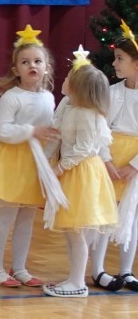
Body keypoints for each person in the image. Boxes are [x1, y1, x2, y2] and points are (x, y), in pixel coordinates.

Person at [0, 28, 57, 287]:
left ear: (47, 67)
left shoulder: (48, 97)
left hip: (36, 163)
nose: (32, 65)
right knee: (7, 217)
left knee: (26, 218)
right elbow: (1, 130)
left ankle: (20, 267)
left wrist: (49, 159)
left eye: (37, 61)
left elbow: (50, 131)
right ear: (16, 70)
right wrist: (31, 131)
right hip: (12, 162)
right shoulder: (12, 97)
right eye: (25, 62)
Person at [46, 59, 118, 298]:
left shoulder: (86, 114)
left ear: (78, 88)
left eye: (69, 78)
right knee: (71, 231)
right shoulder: (71, 108)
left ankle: (77, 282)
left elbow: (84, 149)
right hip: (75, 171)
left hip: (82, 173)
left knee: (76, 232)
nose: (65, 79)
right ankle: (73, 278)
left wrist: (60, 168)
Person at [92, 27, 138, 292]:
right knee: (104, 215)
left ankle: (126, 270)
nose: (114, 63)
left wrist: (134, 166)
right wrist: (107, 161)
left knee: (131, 216)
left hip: (133, 164)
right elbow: (100, 129)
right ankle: (98, 269)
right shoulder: (111, 92)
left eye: (120, 58)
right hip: (110, 160)